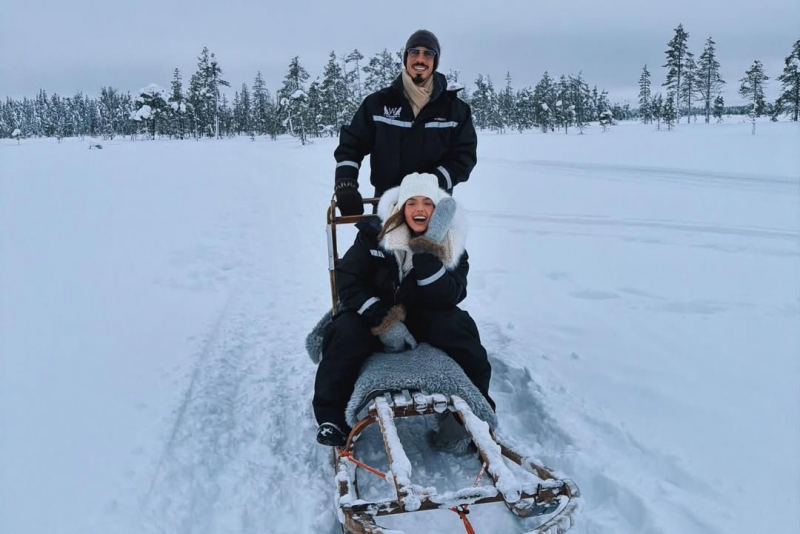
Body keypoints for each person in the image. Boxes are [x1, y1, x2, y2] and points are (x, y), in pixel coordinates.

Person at [314, 173, 493, 446]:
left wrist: (426, 255)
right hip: (372, 314)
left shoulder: (452, 244)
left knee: (459, 327)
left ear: (437, 209)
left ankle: (471, 415)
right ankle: (332, 418)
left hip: (423, 313)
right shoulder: (373, 237)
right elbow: (348, 281)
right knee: (344, 332)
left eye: (427, 203)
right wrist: (382, 318)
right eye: (411, 202)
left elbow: (451, 295)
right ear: (399, 208)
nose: (419, 209)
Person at [333, 29, 478, 216]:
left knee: (446, 247)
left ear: (435, 61)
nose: (420, 59)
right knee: (364, 247)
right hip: (387, 208)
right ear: (406, 58)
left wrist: (431, 182)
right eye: (414, 52)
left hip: (434, 210)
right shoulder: (378, 104)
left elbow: (464, 158)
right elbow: (351, 145)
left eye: (428, 53)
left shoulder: (455, 110)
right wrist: (346, 183)